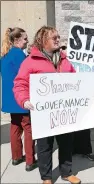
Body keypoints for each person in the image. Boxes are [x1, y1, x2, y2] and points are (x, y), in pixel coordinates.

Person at [13, 26, 81, 184]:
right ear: (43, 41)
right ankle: (47, 178)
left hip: (64, 113)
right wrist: (24, 100)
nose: (58, 39)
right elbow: (20, 84)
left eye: (58, 36)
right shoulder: (30, 61)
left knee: (66, 143)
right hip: (42, 114)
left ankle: (66, 172)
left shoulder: (64, 60)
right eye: (54, 37)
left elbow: (75, 81)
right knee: (44, 147)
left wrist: (84, 96)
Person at [1, 27, 37, 171]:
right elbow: (29, 75)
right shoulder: (19, 56)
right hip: (21, 99)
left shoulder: (4, 55)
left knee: (15, 127)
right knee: (28, 128)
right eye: (25, 38)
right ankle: (30, 160)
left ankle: (16, 157)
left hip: (10, 100)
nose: (27, 41)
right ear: (17, 40)